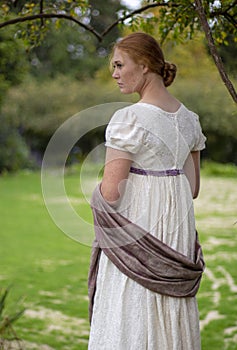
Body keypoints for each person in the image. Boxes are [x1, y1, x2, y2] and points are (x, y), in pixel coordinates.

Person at [88, 32, 206, 350]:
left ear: (143, 66)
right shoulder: (190, 120)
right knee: (168, 308)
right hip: (177, 231)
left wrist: (96, 194)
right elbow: (192, 187)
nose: (114, 73)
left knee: (132, 301)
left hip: (138, 229)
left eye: (118, 65)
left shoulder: (129, 118)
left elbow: (112, 193)